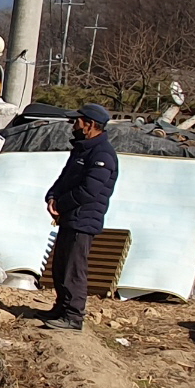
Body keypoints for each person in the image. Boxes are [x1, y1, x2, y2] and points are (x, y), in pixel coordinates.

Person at [39, 103, 119, 330]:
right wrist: (52, 196)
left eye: (78, 121)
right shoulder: (82, 150)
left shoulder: (102, 154)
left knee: (74, 269)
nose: (74, 125)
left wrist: (62, 204)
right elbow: (65, 178)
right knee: (61, 266)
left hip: (83, 219)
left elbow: (89, 190)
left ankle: (74, 316)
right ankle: (61, 307)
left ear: (90, 125)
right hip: (70, 217)